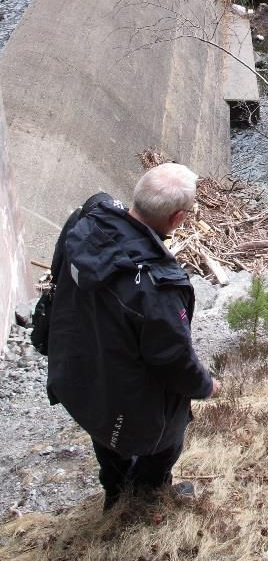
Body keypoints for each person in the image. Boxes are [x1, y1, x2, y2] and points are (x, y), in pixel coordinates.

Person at [47, 162, 218, 511]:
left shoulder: (86, 222)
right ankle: (145, 496)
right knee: (165, 445)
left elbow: (57, 276)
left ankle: (115, 492)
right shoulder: (157, 287)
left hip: (81, 371)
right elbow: (173, 359)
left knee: (105, 433)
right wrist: (205, 386)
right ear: (176, 218)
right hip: (130, 394)